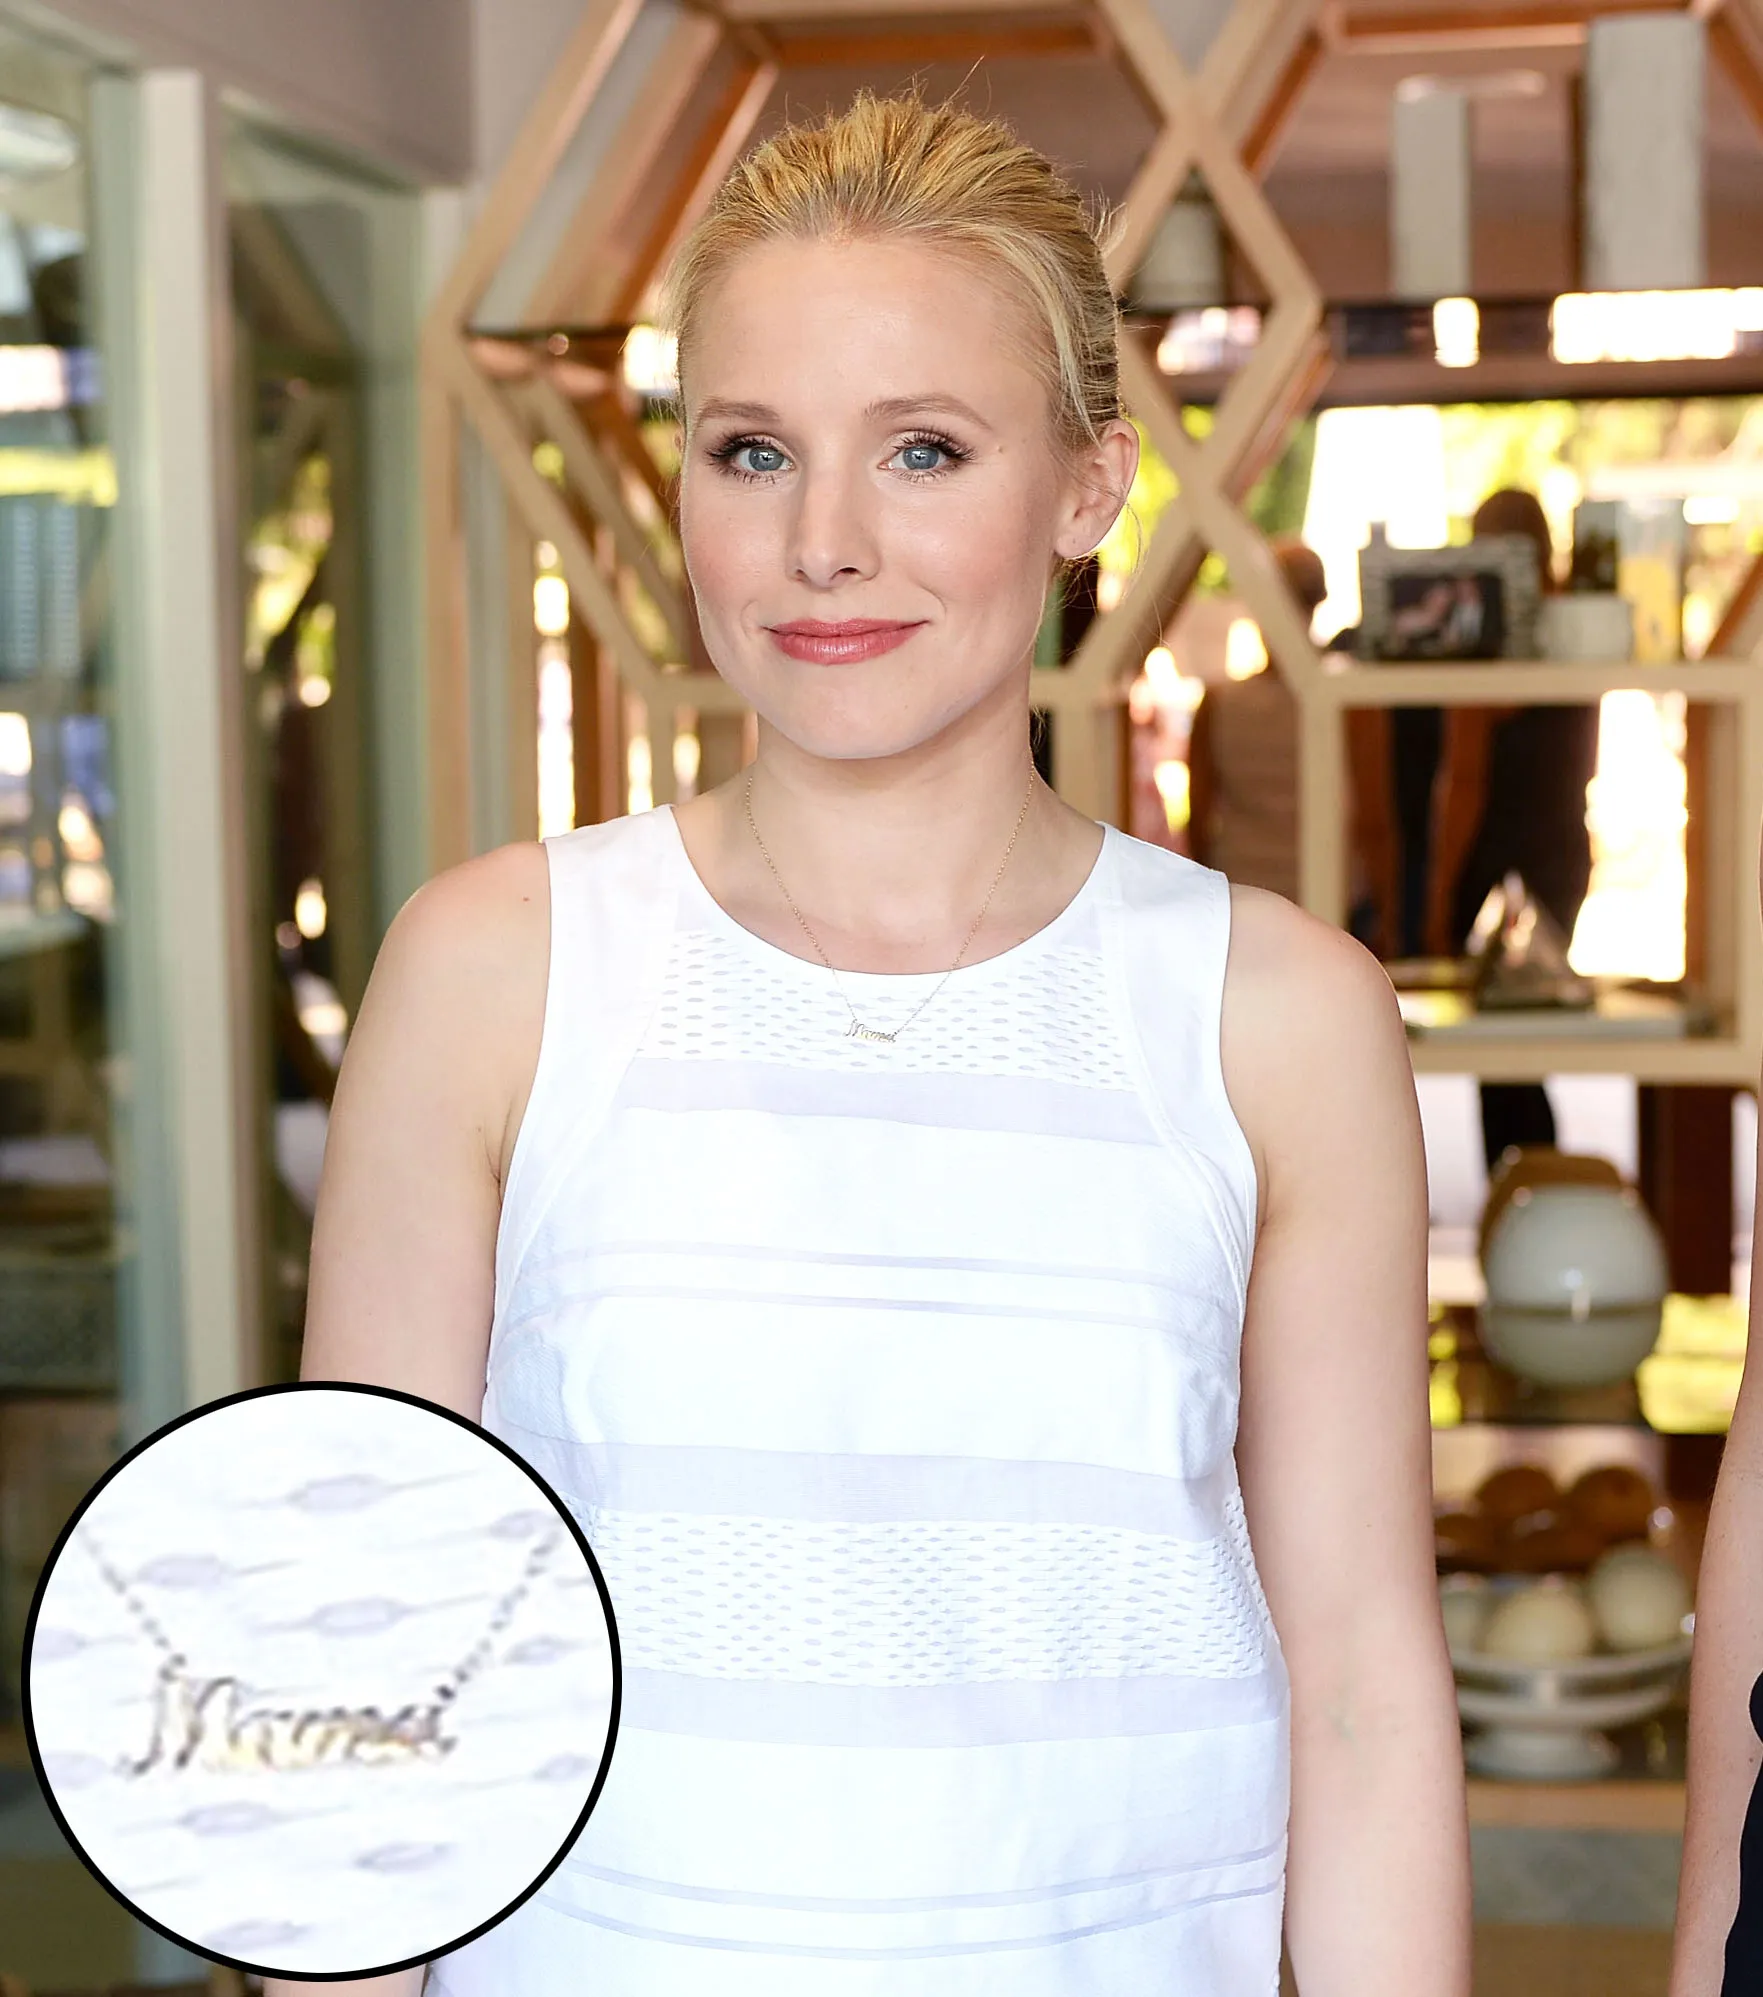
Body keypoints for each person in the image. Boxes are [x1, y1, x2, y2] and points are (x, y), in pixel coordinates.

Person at [289, 95, 1469, 1997]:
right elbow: (370, 1643)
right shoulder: (497, 972)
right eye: (751, 451)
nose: (820, 544)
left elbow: (1355, 1687)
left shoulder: (1272, 1015)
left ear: (1086, 489)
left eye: (923, 449)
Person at [1424, 487, 1601, 1169]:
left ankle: (1521, 1189)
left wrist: (1440, 891)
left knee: (1500, 1059)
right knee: (1524, 1050)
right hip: (1561, 850)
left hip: (1498, 858)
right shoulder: (1574, 628)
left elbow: (1465, 779)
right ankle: (1533, 1189)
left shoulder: (1489, 638)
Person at [1187, 536, 1401, 955]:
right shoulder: (1350, 700)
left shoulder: (1220, 702)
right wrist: (1390, 915)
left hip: (1242, 901)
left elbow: (1199, 821)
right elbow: (1373, 819)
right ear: (1319, 600)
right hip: (1331, 901)